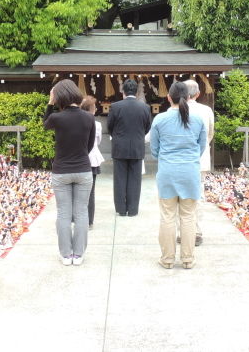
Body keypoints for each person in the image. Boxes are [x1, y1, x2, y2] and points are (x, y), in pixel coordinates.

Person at [150, 81, 206, 269]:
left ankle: (167, 259)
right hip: (190, 171)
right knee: (188, 216)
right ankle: (188, 259)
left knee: (167, 216)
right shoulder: (198, 120)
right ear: (189, 97)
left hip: (167, 171)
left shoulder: (159, 120)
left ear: (168, 98)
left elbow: (154, 150)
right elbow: (201, 147)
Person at [43, 79, 95, 266]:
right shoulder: (89, 118)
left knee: (63, 213)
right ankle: (78, 255)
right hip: (83, 169)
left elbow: (45, 124)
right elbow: (89, 146)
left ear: (59, 97)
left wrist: (49, 103)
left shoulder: (57, 118)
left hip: (61, 171)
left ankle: (66, 255)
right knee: (81, 212)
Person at [107, 78, 152, 216]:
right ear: (137, 92)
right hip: (137, 146)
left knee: (119, 179)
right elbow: (147, 127)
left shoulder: (115, 106)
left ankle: (121, 209)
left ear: (123, 92)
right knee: (135, 179)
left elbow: (110, 127)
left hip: (120, 146)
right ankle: (133, 210)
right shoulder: (145, 107)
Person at [184, 79, 215, 246]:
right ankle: (196, 231)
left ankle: (183, 231)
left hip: (181, 159)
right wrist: (203, 147)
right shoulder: (206, 110)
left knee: (181, 195)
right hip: (201, 157)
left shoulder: (176, 110)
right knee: (198, 195)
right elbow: (210, 134)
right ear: (198, 94)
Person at [80, 95, 104, 229]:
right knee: (91, 191)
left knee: (77, 191)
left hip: (79, 158)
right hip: (92, 158)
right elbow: (98, 141)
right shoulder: (97, 124)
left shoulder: (76, 122)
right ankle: (89, 221)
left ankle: (76, 218)